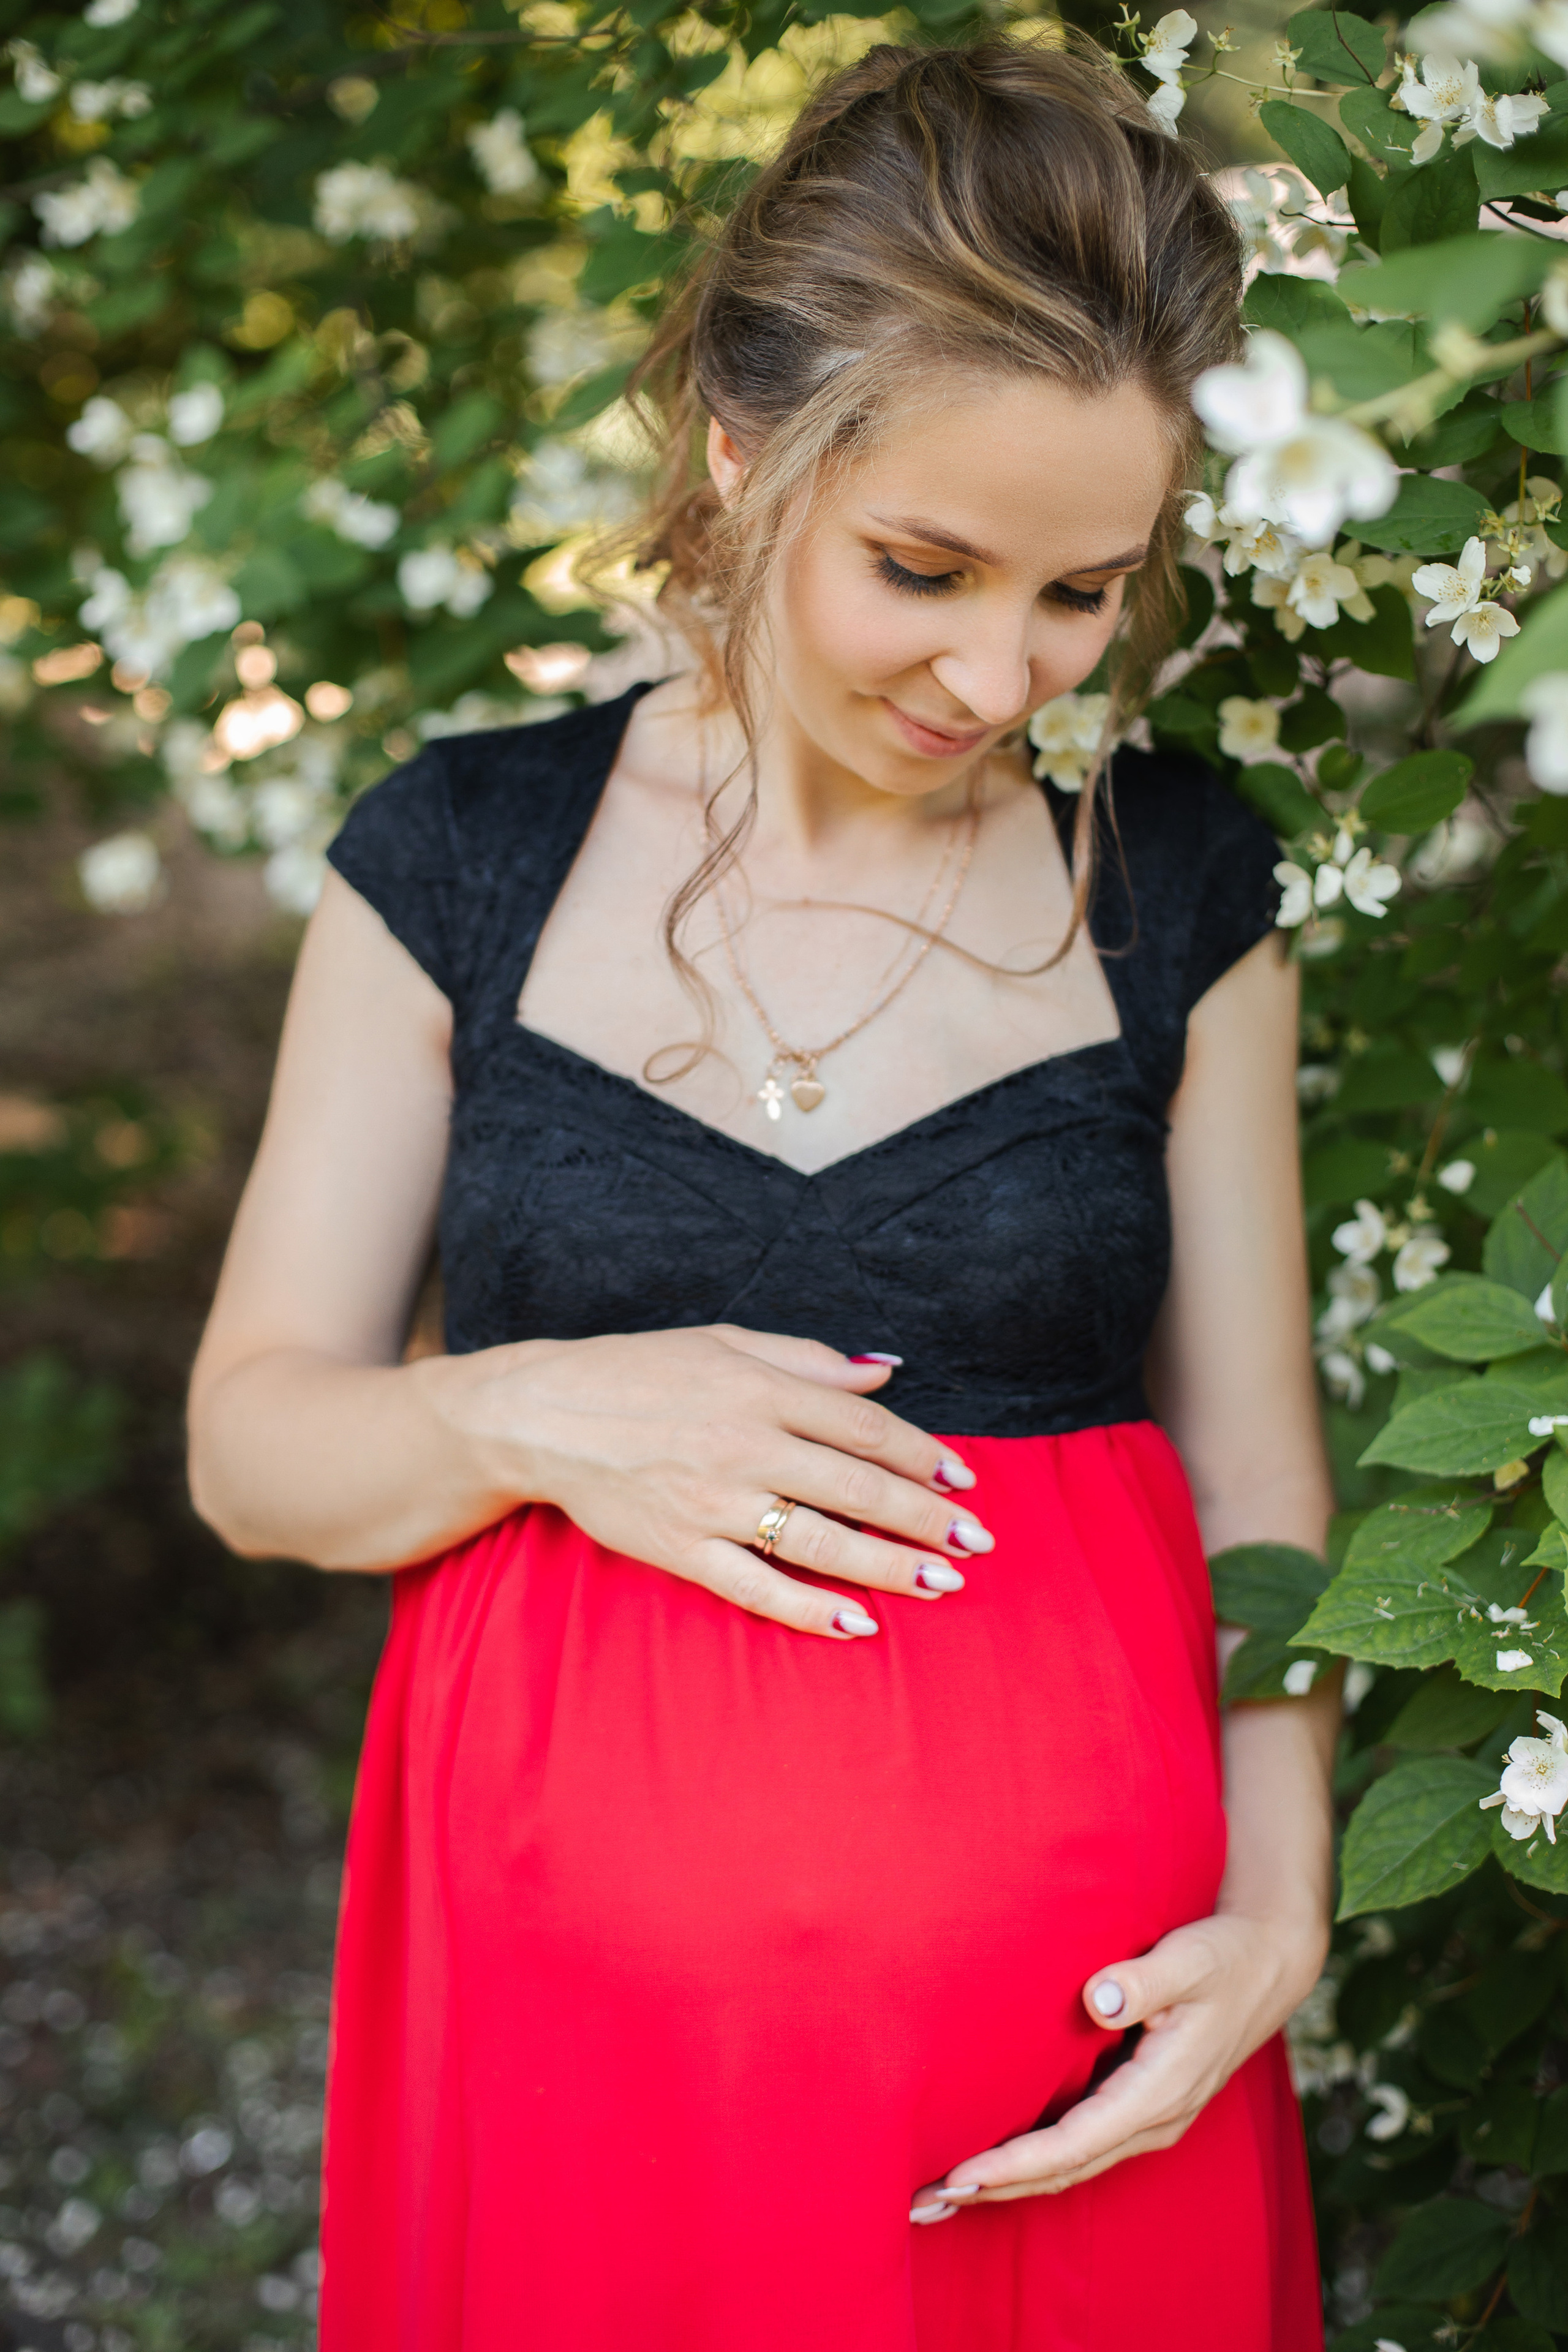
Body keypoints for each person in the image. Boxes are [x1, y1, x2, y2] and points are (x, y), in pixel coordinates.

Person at [187, 32, 1338, 2351]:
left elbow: (1256, 1479)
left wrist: (1287, 1913)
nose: (996, 670)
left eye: (1083, 595)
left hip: (1081, 2066)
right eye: (925, 567)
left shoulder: (1184, 884)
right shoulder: (463, 858)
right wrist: (530, 1414)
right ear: (744, 454)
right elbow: (253, 1450)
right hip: (569, 2052)